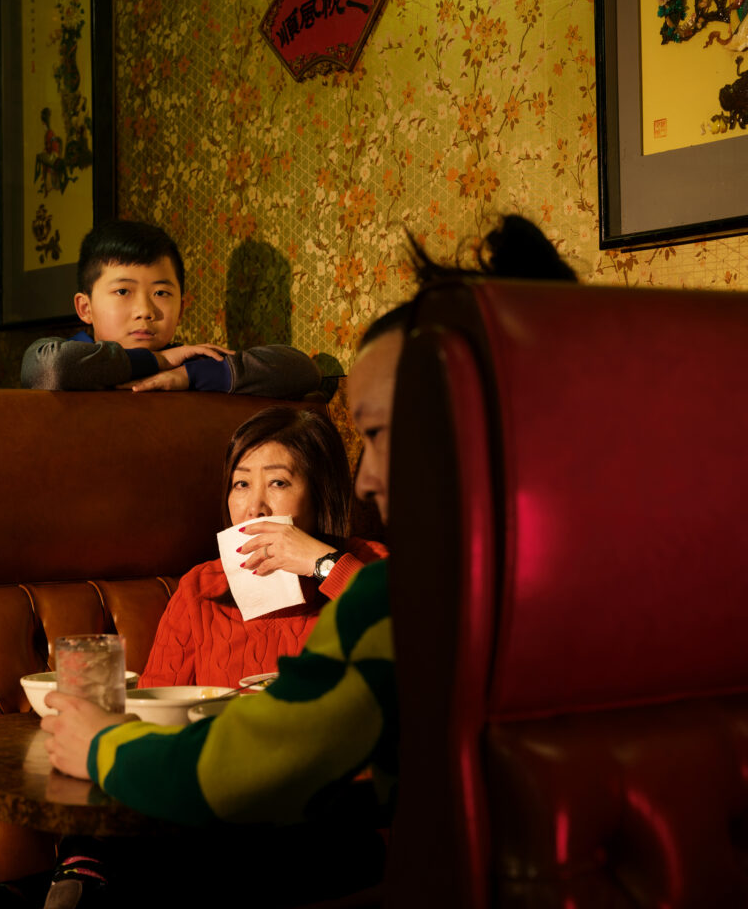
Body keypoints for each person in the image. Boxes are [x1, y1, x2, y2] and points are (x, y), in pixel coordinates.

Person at [37, 215, 574, 901]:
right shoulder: (619, 571)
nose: (371, 479)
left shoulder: (400, 597)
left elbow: (242, 770)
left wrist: (97, 744)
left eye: (383, 435)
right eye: (240, 483)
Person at [140, 405, 388, 688]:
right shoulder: (199, 588)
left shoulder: (372, 566)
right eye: (242, 484)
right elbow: (153, 709)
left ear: (321, 495)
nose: (255, 508)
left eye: (278, 483)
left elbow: (426, 657)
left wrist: (324, 564)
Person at [20, 220, 321, 397]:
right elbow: (50, 369)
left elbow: (302, 371)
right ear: (85, 307)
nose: (145, 310)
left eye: (161, 292)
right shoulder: (72, 355)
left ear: (182, 307)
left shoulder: (192, 365)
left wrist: (187, 376)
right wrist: (158, 361)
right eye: (123, 291)